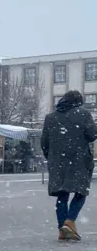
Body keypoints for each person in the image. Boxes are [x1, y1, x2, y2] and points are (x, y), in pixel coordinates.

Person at [41, 90, 97, 241]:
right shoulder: (83, 114)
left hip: (58, 162)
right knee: (80, 192)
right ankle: (69, 221)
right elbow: (92, 135)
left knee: (62, 195)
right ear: (78, 102)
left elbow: (44, 143)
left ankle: (62, 230)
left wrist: (53, 158)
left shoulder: (50, 117)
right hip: (79, 160)